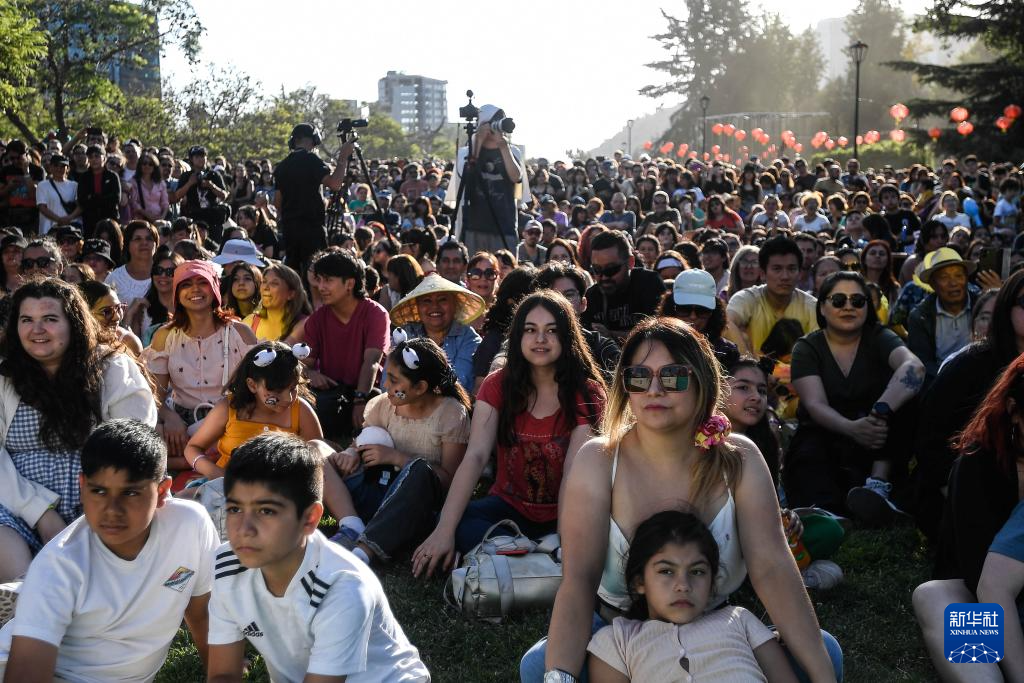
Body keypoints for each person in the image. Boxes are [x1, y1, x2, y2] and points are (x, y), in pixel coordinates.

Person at [521, 317, 840, 683]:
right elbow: (578, 581)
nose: (654, 390)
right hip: (618, 634)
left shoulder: (739, 458)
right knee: (540, 666)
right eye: (639, 377)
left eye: (672, 376)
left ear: (701, 381)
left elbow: (773, 569)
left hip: (714, 626)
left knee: (826, 652)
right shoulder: (598, 460)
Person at [0, 420, 219, 682]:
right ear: (82, 487)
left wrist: (220, 670)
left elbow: (202, 610)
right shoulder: (57, 568)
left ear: (162, 492)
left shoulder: (190, 525)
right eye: (99, 491)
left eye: (130, 493)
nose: (112, 510)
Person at [206, 433, 430, 682]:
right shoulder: (226, 564)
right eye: (235, 509)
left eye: (266, 511)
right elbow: (223, 675)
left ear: (310, 518)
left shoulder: (342, 586)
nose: (244, 529)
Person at [413, 291, 606, 572]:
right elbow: (476, 457)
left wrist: (563, 540)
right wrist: (444, 531)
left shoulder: (587, 393)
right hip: (508, 509)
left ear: (567, 336)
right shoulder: (496, 385)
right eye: (531, 330)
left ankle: (517, 555)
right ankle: (531, 556)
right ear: (517, 336)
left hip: (567, 512)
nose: (540, 339)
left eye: (552, 330)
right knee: (453, 523)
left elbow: (572, 475)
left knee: (591, 538)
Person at [0, 278, 157, 582]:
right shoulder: (5, 376)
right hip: (18, 506)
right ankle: (24, 594)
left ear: (73, 323)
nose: (37, 330)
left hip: (102, 504)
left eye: (50, 319)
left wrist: (93, 510)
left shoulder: (112, 368)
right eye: (26, 320)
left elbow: (132, 448)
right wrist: (41, 513)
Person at [913, 354, 1024, 683]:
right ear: (1014, 410)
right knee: (934, 596)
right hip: (981, 593)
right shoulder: (978, 463)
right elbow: (980, 576)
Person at [586, 511, 797, 683]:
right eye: (666, 571)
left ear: (712, 583)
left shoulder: (739, 620)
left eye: (697, 572)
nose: (683, 586)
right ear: (639, 582)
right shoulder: (616, 640)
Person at [786, 272, 925, 526]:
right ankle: (827, 512)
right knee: (810, 452)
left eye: (858, 301)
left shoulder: (880, 337)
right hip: (826, 434)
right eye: (839, 300)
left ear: (867, 307)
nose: (848, 306)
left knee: (905, 397)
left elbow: (914, 368)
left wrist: (879, 413)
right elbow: (815, 404)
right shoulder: (807, 347)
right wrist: (852, 429)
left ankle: (878, 487)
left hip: (878, 437)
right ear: (823, 307)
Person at [324, 336, 471, 565]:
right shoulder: (384, 404)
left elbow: (449, 482)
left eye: (393, 380)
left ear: (420, 387)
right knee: (316, 448)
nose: (385, 385)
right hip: (375, 489)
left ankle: (364, 552)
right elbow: (365, 439)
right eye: (387, 377)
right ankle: (351, 524)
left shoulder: (451, 414)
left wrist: (398, 458)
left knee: (421, 470)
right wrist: (352, 452)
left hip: (414, 507)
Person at [912, 269, 1024, 539]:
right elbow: (929, 437)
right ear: (1006, 308)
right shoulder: (971, 364)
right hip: (966, 494)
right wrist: (956, 494)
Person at [143, 260, 257, 471]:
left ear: (214, 289)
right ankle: (201, 460)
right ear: (177, 293)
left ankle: (192, 461)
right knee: (151, 432)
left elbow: (257, 388)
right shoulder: (165, 335)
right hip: (181, 426)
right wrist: (170, 418)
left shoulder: (239, 333)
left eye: (202, 282)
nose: (195, 289)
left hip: (229, 420)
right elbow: (156, 395)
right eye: (186, 284)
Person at [183, 341, 322, 481]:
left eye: (293, 388)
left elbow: (318, 456)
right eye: (277, 391)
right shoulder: (228, 409)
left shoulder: (301, 411)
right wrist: (217, 474)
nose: (288, 398)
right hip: (226, 486)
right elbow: (193, 447)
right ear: (252, 385)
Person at [300, 250, 389, 442]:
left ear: (349, 283)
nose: (321, 287)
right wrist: (310, 373)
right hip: (332, 393)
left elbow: (372, 362)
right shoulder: (317, 319)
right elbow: (304, 364)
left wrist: (360, 399)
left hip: (368, 391)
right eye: (319, 280)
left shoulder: (376, 314)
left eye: (328, 280)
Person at [448, 104, 526, 254]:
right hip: (473, 226)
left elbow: (516, 178)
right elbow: (465, 178)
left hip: (504, 225)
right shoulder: (466, 152)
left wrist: (503, 147)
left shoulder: (512, 151)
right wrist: (478, 141)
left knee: (504, 265)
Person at [388, 273, 484, 393]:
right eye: (427, 301)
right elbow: (389, 383)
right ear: (418, 307)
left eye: (442, 299)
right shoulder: (406, 334)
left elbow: (459, 384)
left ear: (454, 304)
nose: (434, 306)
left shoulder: (469, 339)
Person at [726, 236, 818, 360]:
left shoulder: (811, 306)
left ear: (799, 273)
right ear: (762, 273)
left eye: (791, 269)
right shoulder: (746, 299)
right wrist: (748, 362)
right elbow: (728, 322)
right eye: (777, 269)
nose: (785, 276)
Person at [534, 263, 620, 380]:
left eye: (569, 295)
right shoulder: (527, 343)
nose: (562, 302)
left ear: (583, 303)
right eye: (553, 296)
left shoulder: (600, 347)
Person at [581, 230, 666, 341]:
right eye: (597, 269)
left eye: (611, 269)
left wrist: (612, 335)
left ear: (631, 262)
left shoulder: (649, 282)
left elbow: (660, 331)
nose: (604, 277)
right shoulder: (591, 296)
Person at [907, 247, 976, 382]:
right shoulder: (920, 316)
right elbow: (922, 362)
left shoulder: (982, 306)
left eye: (959, 275)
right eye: (944, 277)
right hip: (939, 381)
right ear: (933, 284)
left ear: (966, 279)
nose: (953, 283)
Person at [659, 269, 740, 370]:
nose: (693, 316)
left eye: (702, 310)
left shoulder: (727, 353)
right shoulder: (655, 347)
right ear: (671, 308)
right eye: (684, 309)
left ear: (714, 312)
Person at [171, 146, 230, 244]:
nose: (200, 159)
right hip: (193, 217)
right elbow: (177, 196)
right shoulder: (186, 176)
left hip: (212, 219)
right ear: (191, 159)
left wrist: (211, 186)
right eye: (197, 157)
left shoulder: (214, 175)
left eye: (202, 156)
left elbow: (224, 195)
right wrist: (189, 183)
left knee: (214, 245)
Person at [243, 263, 310, 343]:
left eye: (274, 283)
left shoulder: (304, 323)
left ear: (291, 294)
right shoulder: (249, 322)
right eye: (264, 282)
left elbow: (282, 349)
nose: (266, 287)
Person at [79, 279, 144, 356]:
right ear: (84, 314)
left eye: (119, 308)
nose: (117, 317)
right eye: (107, 311)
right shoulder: (69, 341)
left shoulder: (129, 342)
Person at [106, 220, 158, 303]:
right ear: (127, 245)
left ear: (156, 244)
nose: (144, 243)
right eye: (138, 239)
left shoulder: (166, 274)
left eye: (149, 239)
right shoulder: (114, 278)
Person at [34, 154, 81, 235]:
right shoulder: (42, 185)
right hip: (48, 230)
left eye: (62, 166)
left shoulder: (75, 185)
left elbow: (80, 206)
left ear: (67, 168)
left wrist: (69, 218)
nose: (59, 169)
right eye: (56, 165)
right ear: (50, 167)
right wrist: (59, 220)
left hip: (71, 230)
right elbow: (42, 207)